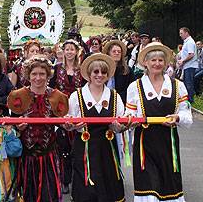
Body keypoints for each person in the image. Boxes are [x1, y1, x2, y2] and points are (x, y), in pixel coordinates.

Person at [126, 42, 193, 202]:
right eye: (153, 60)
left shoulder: (178, 86)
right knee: (148, 188)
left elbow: (186, 114)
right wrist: (130, 120)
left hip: (168, 145)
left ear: (165, 63)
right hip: (145, 146)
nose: (157, 63)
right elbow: (129, 113)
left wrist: (177, 118)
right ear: (145, 63)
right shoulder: (135, 87)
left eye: (160, 60)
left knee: (169, 187)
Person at [7, 55, 69, 202]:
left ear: (48, 75)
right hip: (26, 156)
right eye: (34, 74)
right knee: (28, 194)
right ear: (28, 75)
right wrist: (18, 128)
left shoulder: (57, 96)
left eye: (42, 74)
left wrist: (66, 125)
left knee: (49, 194)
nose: (38, 78)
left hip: (49, 154)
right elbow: (12, 124)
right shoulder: (18, 96)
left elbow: (60, 122)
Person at [66, 53, 126, 202]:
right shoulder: (76, 96)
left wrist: (119, 127)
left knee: (109, 186)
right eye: (96, 72)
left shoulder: (115, 96)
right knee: (86, 188)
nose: (100, 75)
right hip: (84, 150)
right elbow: (67, 123)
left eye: (103, 72)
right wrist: (72, 126)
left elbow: (121, 125)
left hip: (107, 150)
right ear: (89, 74)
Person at [49, 39, 85, 194]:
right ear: (63, 51)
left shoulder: (82, 69)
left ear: (77, 52)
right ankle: (65, 179)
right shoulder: (56, 69)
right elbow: (50, 89)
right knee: (63, 147)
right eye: (67, 49)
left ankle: (78, 180)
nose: (69, 52)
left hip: (78, 109)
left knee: (77, 147)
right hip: (61, 109)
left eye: (72, 49)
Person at [178, 27, 199, 103]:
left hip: (190, 66)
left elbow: (191, 54)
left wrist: (182, 61)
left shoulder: (190, 42)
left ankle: (190, 100)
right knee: (187, 83)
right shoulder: (186, 42)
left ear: (186, 33)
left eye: (181, 33)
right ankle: (188, 99)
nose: (180, 35)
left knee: (189, 83)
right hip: (187, 66)